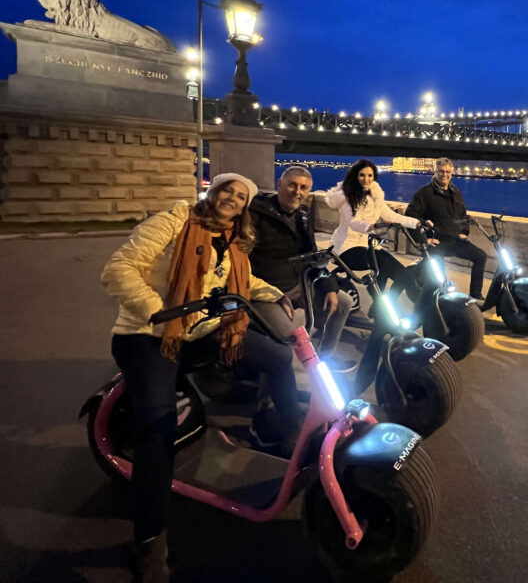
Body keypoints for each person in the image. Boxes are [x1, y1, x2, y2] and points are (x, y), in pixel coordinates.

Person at [100, 173, 293, 582]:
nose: (233, 198)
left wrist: (272, 292)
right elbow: (119, 268)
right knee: (158, 425)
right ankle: (149, 541)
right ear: (212, 191)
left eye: (241, 197)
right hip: (150, 335)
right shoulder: (176, 221)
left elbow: (236, 281)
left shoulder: (234, 241)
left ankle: (280, 429)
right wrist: (157, 308)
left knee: (278, 356)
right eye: (227, 189)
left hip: (200, 331)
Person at [249, 165, 355, 411]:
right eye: (292, 185)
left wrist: (328, 285)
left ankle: (323, 361)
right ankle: (267, 402)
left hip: (298, 283)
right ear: (279, 184)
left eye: (304, 187)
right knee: (287, 333)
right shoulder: (256, 214)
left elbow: (311, 256)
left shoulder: (303, 215)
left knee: (343, 302)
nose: (297, 192)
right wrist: (268, 293)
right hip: (267, 291)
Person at [324, 159, 421, 305]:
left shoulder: (375, 195)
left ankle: (381, 306)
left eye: (370, 175)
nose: (366, 179)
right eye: (362, 175)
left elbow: (392, 216)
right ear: (355, 176)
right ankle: (383, 306)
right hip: (346, 247)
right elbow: (353, 222)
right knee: (384, 263)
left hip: (368, 245)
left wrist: (417, 223)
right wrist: (372, 226)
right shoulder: (347, 196)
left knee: (399, 272)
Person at [405, 157, 488, 300]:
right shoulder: (424, 193)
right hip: (437, 242)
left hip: (455, 240)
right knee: (439, 274)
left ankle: (475, 294)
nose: (445, 175)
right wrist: (424, 239)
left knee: (480, 256)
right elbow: (410, 216)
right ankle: (437, 300)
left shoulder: (456, 192)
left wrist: (464, 231)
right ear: (435, 172)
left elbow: (463, 214)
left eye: (448, 172)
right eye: (441, 172)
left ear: (452, 173)